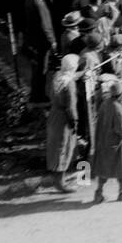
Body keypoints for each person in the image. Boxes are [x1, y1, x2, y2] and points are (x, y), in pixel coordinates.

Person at [91, 75, 122, 202]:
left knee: (103, 169)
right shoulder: (118, 108)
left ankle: (98, 193)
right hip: (116, 143)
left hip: (103, 141)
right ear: (121, 94)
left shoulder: (105, 103)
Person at [45, 54, 80, 193]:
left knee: (54, 147)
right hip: (64, 118)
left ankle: (57, 177)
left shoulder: (57, 76)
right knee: (63, 148)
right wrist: (74, 122)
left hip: (54, 115)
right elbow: (71, 106)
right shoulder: (69, 84)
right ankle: (60, 182)